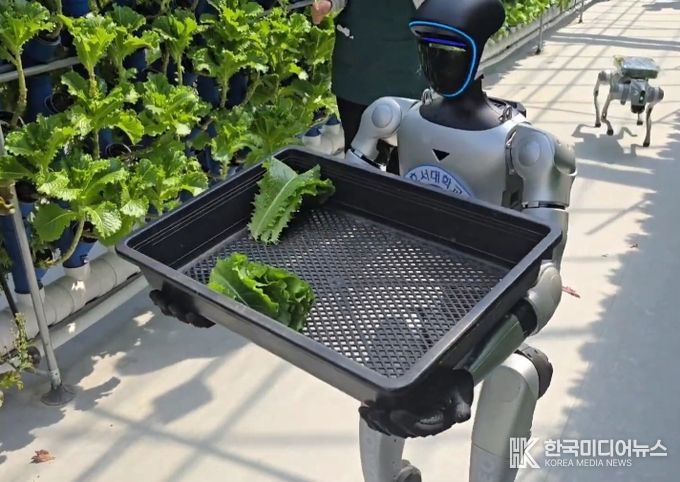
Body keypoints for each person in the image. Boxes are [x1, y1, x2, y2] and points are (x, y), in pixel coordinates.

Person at [311, 0, 428, 166]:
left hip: (406, 76)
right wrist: (328, 3)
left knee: (404, 163)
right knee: (359, 161)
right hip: (357, 73)